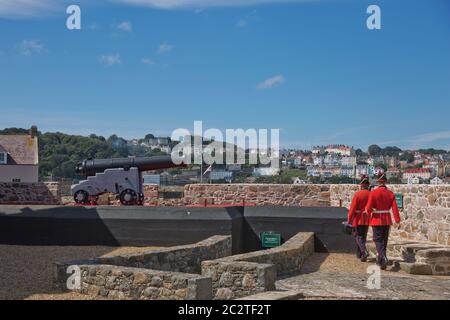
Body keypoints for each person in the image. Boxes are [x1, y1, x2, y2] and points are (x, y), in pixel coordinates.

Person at [365, 172, 401, 269]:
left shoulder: (373, 193)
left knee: (377, 240)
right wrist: (397, 220)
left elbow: (368, 209)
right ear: (385, 181)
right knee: (384, 241)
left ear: (378, 181)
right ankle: (381, 261)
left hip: (376, 219)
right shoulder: (390, 193)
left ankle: (383, 257)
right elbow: (394, 208)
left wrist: (370, 212)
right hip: (386, 219)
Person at [347, 175, 371, 262]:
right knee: (363, 236)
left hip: (358, 218)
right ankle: (360, 254)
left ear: (361, 184)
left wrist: (349, 220)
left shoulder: (358, 194)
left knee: (357, 235)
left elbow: (352, 209)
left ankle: (364, 252)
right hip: (367, 217)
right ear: (368, 185)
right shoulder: (371, 194)